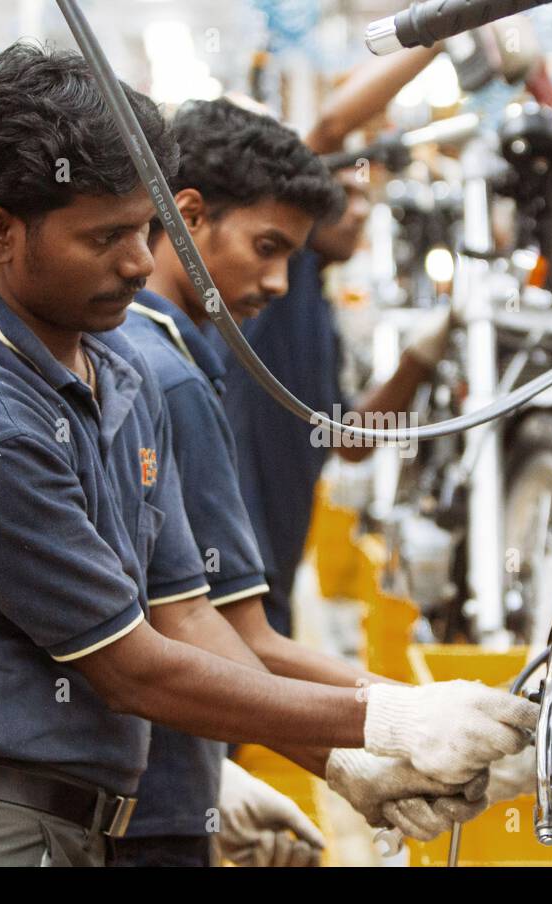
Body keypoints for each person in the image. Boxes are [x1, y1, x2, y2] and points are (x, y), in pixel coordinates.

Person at [0, 42, 536, 868]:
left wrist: (346, 762)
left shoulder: (119, 373)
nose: (143, 262)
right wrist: (393, 722)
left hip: (97, 822)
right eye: (106, 236)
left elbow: (186, 614)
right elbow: (132, 669)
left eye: (147, 228)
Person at [115, 98, 493, 866]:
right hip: (160, 792)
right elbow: (224, 637)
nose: (281, 280)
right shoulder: (169, 377)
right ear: (186, 217)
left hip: (176, 769)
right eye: (266, 247)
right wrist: (397, 717)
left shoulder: (153, 356)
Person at [209, 47, 450, 639]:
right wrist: (440, 33)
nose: (360, 210)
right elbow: (332, 128)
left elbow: (351, 441)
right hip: (237, 574)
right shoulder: (274, 290)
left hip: (275, 572)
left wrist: (420, 358)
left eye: (369, 196)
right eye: (345, 193)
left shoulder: (313, 303)